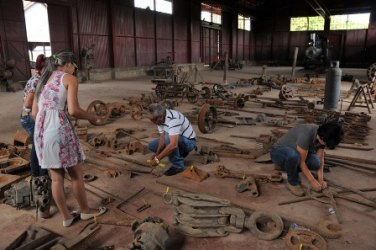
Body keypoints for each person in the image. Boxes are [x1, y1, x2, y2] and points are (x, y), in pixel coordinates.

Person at [32, 51, 107, 227]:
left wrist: (49, 118)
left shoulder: (43, 80)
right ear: (67, 64)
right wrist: (91, 117)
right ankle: (86, 212)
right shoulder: (69, 78)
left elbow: (34, 114)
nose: (74, 70)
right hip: (58, 131)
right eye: (74, 66)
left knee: (56, 178)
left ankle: (66, 217)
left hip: (41, 133)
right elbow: (73, 110)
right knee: (76, 174)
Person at [270, 121, 343, 197]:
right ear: (322, 138)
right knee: (293, 156)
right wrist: (313, 181)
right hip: (278, 152)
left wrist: (321, 180)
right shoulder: (306, 134)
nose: (326, 146)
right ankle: (292, 182)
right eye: (326, 144)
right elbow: (302, 162)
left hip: (296, 153)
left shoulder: (324, 134)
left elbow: (321, 159)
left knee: (316, 163)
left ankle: (285, 166)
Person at [21, 54, 52, 218]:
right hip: (31, 119)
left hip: (32, 118)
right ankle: (42, 190)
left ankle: (37, 186)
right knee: (41, 154)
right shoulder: (37, 81)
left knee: (36, 151)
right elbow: (28, 104)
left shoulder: (39, 78)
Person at [148, 103, 197, 176]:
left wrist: (157, 159)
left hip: (189, 142)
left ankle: (178, 166)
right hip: (176, 139)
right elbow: (161, 139)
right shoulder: (159, 119)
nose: (153, 123)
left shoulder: (173, 119)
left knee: (168, 139)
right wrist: (156, 155)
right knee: (152, 145)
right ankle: (180, 153)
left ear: (160, 117)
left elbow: (173, 145)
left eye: (154, 121)